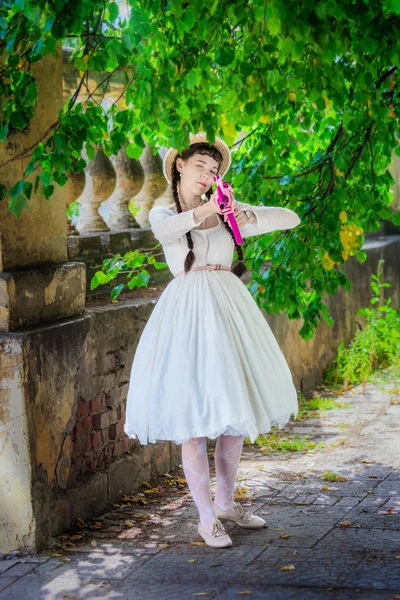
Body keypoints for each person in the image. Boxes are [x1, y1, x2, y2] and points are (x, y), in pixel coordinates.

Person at [124, 131, 301, 548]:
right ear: (180, 166)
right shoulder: (163, 213)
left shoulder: (225, 214)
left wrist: (239, 211)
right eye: (200, 167)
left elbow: (289, 218)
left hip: (228, 311)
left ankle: (226, 503)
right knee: (193, 423)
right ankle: (206, 519)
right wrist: (206, 211)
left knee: (233, 412)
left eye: (215, 170)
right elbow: (170, 233)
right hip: (188, 316)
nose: (208, 174)